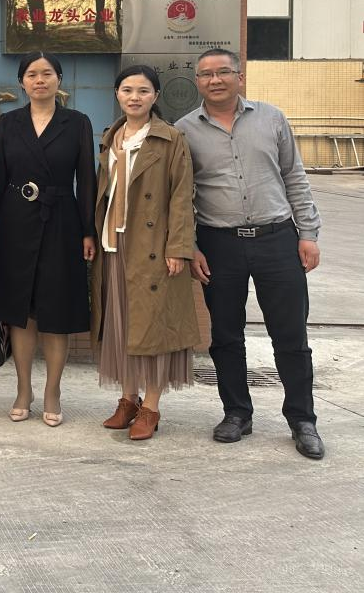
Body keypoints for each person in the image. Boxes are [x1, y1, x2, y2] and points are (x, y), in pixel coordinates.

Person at [176, 49, 326, 460]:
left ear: (239, 77)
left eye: (223, 72)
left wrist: (308, 234)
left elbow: (294, 176)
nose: (215, 80)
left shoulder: (271, 118)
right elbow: (181, 195)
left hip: (277, 238)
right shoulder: (184, 130)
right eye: (206, 74)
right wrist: (190, 245)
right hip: (218, 244)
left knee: (290, 335)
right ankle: (237, 413)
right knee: (225, 335)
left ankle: (302, 419)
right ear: (197, 81)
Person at [0, 52, 97, 427]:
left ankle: (53, 391)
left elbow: (87, 179)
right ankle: (23, 390)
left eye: (47, 73)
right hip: (15, 222)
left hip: (61, 222)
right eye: (31, 74)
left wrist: (87, 230)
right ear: (22, 82)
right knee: (20, 311)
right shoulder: (9, 122)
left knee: (55, 311)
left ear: (59, 80)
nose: (39, 80)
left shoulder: (77, 122)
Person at [92, 64, 197, 441]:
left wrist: (178, 248)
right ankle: (128, 399)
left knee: (153, 328)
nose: (134, 97)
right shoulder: (111, 136)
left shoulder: (171, 138)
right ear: (117, 94)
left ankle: (150, 407)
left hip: (153, 247)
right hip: (113, 243)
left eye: (142, 91)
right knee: (122, 326)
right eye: (127, 90)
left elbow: (182, 196)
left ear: (155, 96)